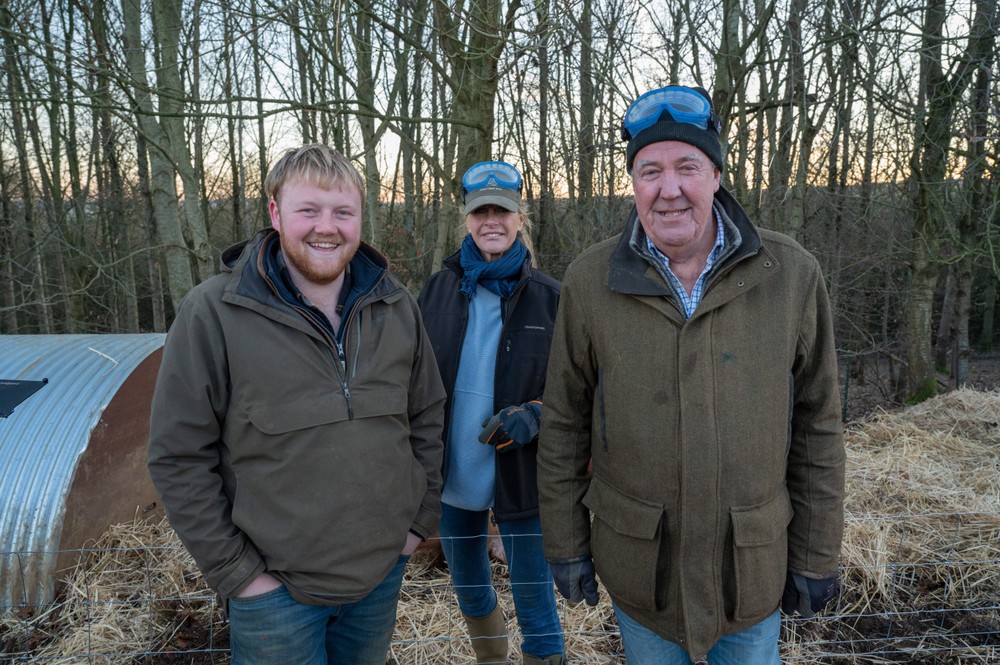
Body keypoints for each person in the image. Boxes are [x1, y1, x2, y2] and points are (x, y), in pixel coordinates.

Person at [536, 85, 846, 664]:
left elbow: (819, 426)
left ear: (718, 175)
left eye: (687, 167)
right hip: (642, 572)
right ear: (633, 183)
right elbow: (563, 423)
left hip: (748, 572)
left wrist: (814, 555)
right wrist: (567, 543)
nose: (669, 188)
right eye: (650, 170)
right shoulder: (589, 280)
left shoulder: (791, 274)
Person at [147, 144, 446, 665]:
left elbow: (427, 418)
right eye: (308, 209)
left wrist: (416, 525)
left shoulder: (395, 307)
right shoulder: (215, 313)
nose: (325, 227)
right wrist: (241, 576)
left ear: (359, 219)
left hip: (377, 581)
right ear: (275, 213)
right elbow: (178, 456)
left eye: (342, 212)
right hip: (274, 595)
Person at [418, 161, 566, 665]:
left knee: (535, 604)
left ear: (519, 217)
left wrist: (537, 414)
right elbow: (411, 379)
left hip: (521, 477)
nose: (492, 221)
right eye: (480, 211)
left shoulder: (549, 299)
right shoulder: (437, 292)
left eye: (502, 211)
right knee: (472, 593)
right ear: (467, 218)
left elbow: (581, 392)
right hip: (453, 473)